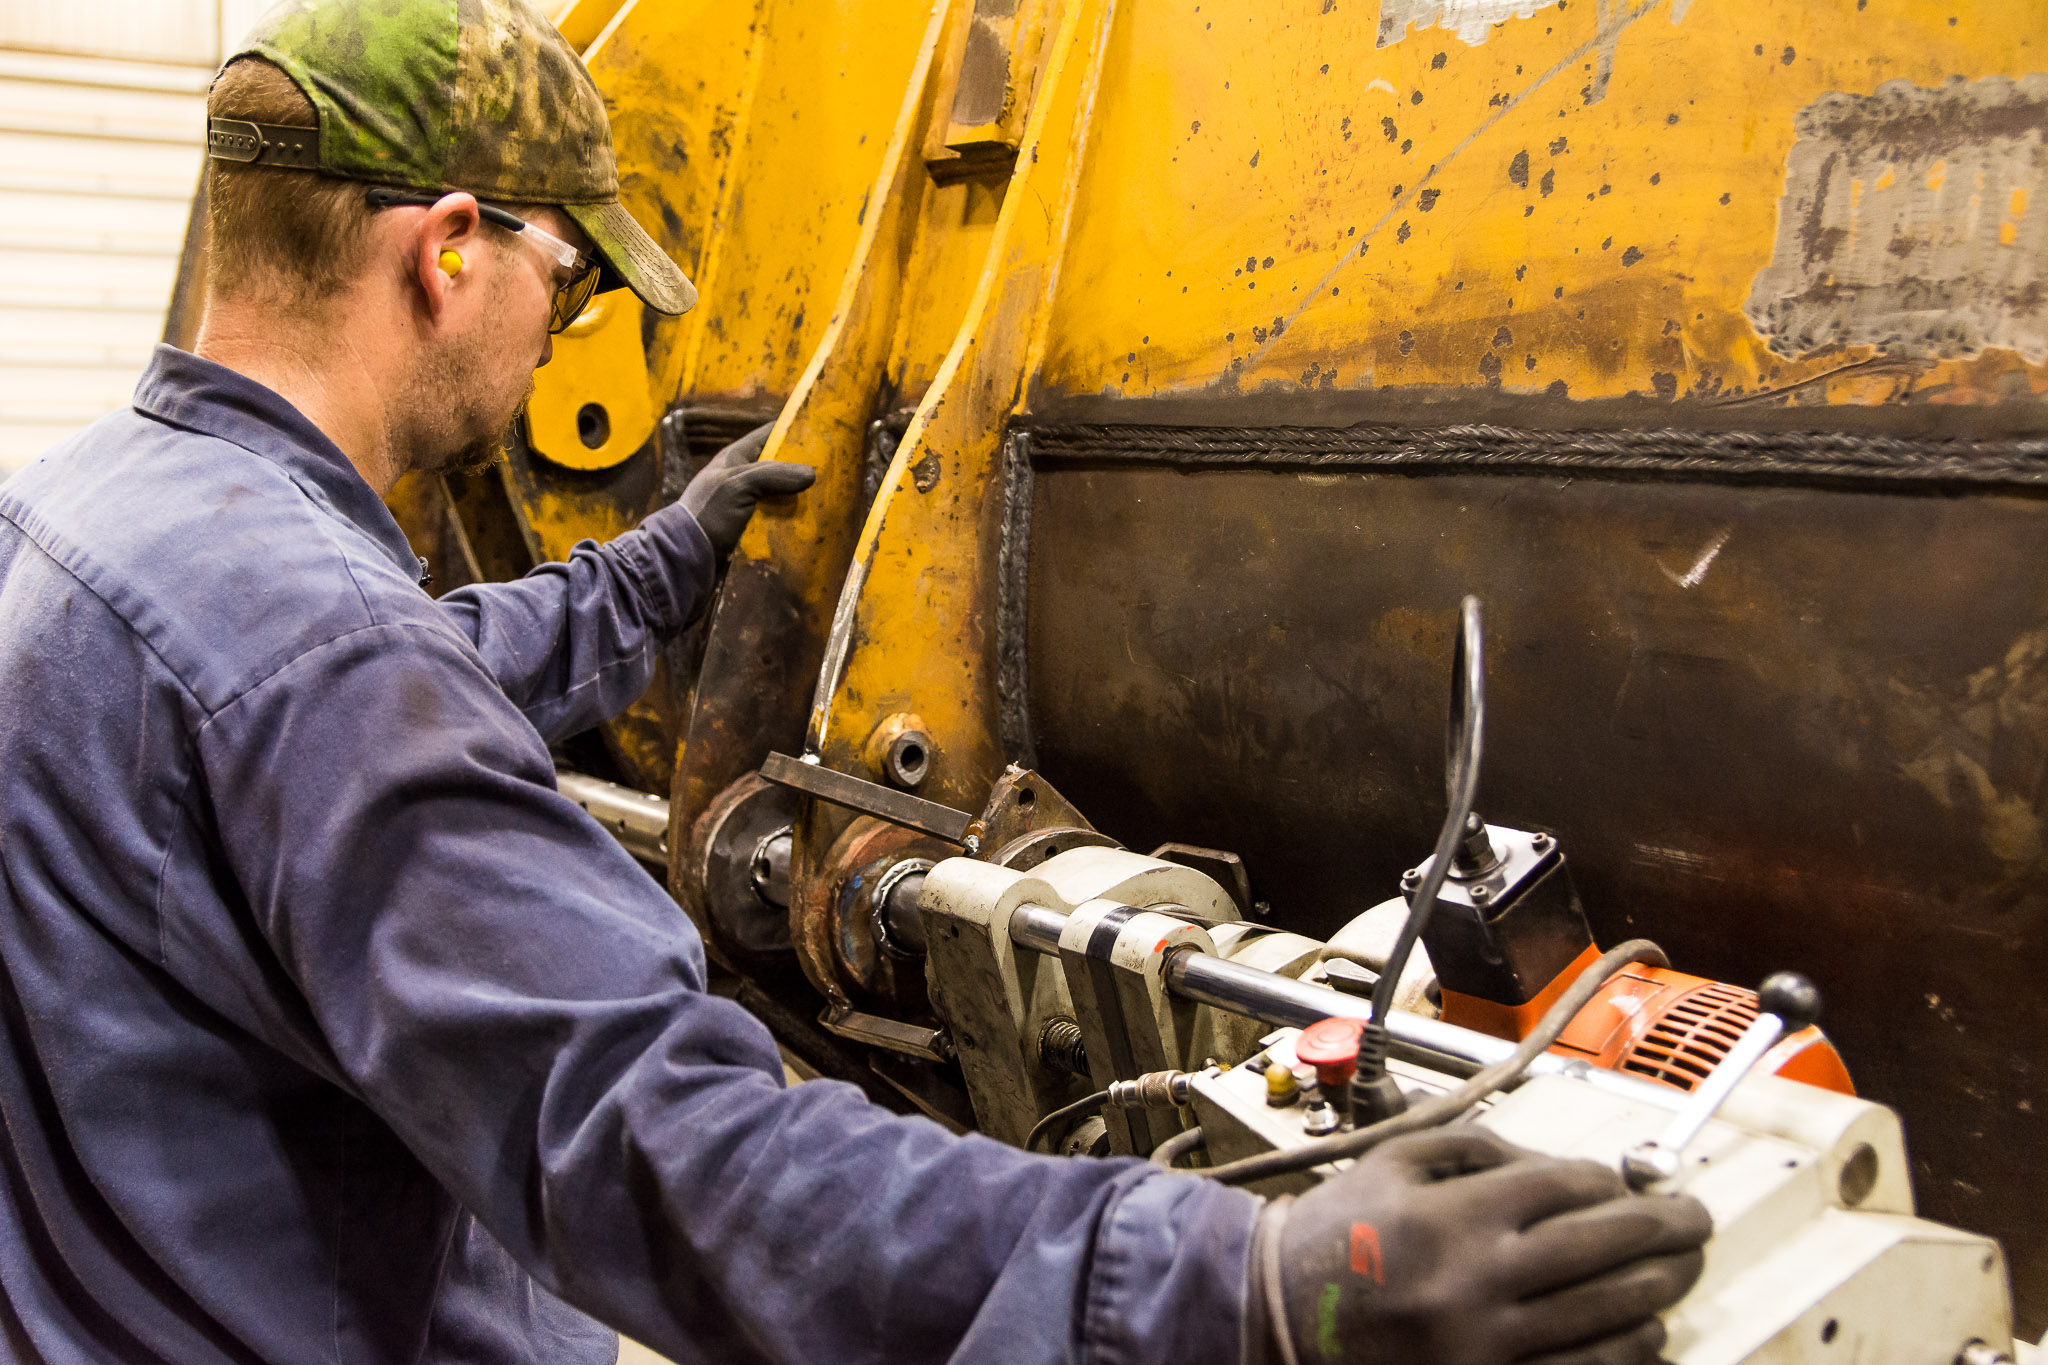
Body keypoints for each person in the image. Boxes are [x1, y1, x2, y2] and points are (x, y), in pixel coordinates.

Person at [0, 1, 1710, 1361]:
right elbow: (663, 1147)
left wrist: (674, 557)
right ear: (450, 246)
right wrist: (1246, 1282)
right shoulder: (321, 657)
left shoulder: (79, 521)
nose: (564, 325)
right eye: (570, 272)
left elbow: (423, 670)